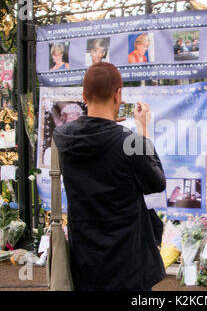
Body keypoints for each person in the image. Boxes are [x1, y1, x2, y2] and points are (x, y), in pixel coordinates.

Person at [53, 62, 166, 290]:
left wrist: (106, 125)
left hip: (84, 258)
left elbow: (94, 137)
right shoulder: (130, 142)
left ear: (84, 96)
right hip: (128, 263)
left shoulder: (62, 137)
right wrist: (143, 130)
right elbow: (156, 182)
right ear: (118, 95)